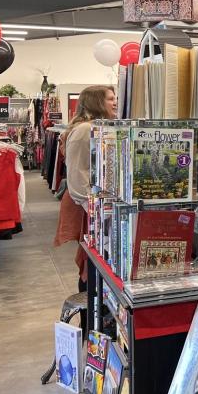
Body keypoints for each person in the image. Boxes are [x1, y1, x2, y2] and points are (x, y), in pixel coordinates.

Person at [53, 85, 117, 290]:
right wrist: (94, 209)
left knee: (98, 259)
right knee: (91, 260)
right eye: (109, 98)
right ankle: (90, 311)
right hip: (88, 205)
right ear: (96, 102)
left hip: (95, 204)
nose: (115, 102)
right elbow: (77, 176)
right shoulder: (83, 131)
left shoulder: (99, 126)